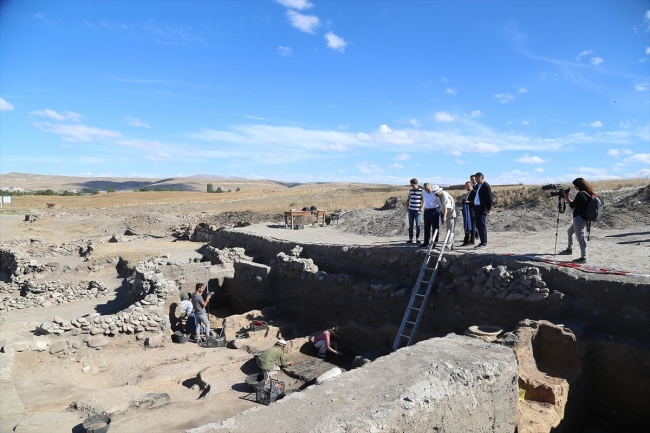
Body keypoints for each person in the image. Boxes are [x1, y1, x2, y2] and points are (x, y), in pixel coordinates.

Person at [559, 178, 594, 263]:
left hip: (579, 219)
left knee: (580, 238)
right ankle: (569, 249)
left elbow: (572, 205)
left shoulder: (580, 194)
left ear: (578, 186)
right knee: (570, 232)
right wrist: (567, 199)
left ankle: (583, 257)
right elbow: (575, 203)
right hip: (582, 218)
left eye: (575, 186)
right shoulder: (586, 193)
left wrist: (566, 197)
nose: (575, 187)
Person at [473, 172, 493, 249]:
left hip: (482, 208)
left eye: (478, 179)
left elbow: (489, 198)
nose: (476, 180)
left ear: (482, 178)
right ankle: (481, 242)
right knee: (478, 225)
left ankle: (484, 243)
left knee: (482, 225)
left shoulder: (485, 186)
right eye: (476, 179)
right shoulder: (478, 186)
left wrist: (488, 208)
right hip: (477, 208)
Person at [419, 183, 441, 249]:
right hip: (427, 210)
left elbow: (439, 202)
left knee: (435, 227)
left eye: (428, 189)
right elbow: (424, 201)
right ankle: (426, 242)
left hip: (434, 210)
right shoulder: (424, 193)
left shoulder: (435, 192)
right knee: (426, 227)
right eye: (426, 190)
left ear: (431, 187)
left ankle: (434, 243)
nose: (427, 191)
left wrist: (440, 210)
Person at [406, 178, 423, 244]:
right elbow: (408, 200)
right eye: (411, 185)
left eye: (413, 185)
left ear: (416, 184)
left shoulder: (421, 191)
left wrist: (421, 209)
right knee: (410, 225)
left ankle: (418, 238)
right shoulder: (410, 191)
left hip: (417, 211)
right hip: (411, 210)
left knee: (418, 225)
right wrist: (407, 207)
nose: (412, 186)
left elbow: (423, 201)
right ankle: (410, 239)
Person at [461, 181, 475, 246]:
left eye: (468, 186)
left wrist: (468, 202)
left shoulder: (474, 192)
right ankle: (466, 241)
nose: (466, 187)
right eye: (466, 186)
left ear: (471, 185)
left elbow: (475, 202)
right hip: (467, 212)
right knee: (467, 226)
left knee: (472, 227)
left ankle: (472, 241)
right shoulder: (468, 193)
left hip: (472, 212)